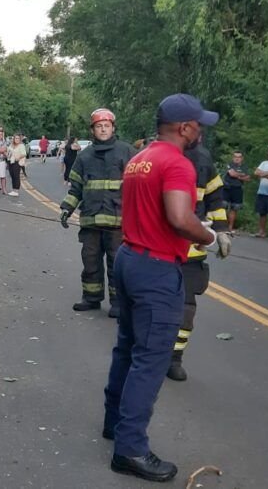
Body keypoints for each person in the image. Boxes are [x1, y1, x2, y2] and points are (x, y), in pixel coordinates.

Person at [104, 93, 218, 483]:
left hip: (129, 257)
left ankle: (114, 423)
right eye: (197, 124)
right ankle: (130, 448)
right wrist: (210, 238)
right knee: (151, 359)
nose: (200, 130)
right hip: (155, 267)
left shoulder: (140, 159)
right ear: (184, 128)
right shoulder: (178, 164)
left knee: (127, 348)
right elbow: (179, 218)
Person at [59, 109, 135, 318]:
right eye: (99, 126)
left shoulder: (127, 152)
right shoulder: (84, 157)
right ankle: (91, 298)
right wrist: (67, 208)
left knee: (116, 264)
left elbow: (138, 187)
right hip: (91, 221)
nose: (103, 129)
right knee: (90, 260)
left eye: (106, 126)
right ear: (92, 130)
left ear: (113, 128)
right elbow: (76, 188)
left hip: (118, 223)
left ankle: (118, 303)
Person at [166, 142, 229, 382]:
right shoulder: (157, 155)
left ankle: (174, 358)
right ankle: (149, 352)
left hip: (192, 252)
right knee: (150, 305)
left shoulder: (203, 158)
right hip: (159, 251)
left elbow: (215, 199)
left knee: (186, 308)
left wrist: (222, 231)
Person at [222, 151, 250, 231]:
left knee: (235, 208)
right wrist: (241, 175)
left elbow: (248, 178)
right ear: (233, 158)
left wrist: (237, 175)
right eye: (235, 157)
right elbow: (232, 174)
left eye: (239, 157)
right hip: (227, 188)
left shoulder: (245, 167)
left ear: (242, 158)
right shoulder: (229, 164)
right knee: (223, 206)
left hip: (237, 188)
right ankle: (222, 225)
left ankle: (230, 227)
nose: (237, 158)